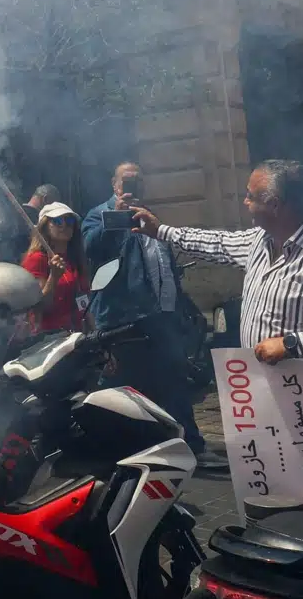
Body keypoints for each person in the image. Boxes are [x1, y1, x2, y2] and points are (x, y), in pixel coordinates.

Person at [134, 159, 303, 380]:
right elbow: (217, 243)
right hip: (269, 390)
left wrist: (292, 345)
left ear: (274, 205)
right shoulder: (260, 240)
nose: (245, 202)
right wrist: (161, 231)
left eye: (250, 196)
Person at [85, 163, 227, 470]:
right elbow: (92, 249)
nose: (134, 185)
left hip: (161, 317)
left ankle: (189, 447)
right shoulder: (101, 215)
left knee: (174, 380)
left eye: (139, 180)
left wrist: (181, 308)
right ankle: (125, 451)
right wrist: (116, 220)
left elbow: (163, 266)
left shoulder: (148, 216)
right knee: (123, 390)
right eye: (127, 180)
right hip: (124, 321)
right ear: (114, 184)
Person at [18, 202, 90, 337]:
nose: (64, 225)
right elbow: (38, 307)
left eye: (69, 221)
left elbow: (84, 300)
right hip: (49, 338)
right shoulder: (36, 259)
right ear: (45, 227)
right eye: (57, 221)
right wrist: (54, 277)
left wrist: (94, 331)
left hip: (77, 334)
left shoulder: (74, 258)